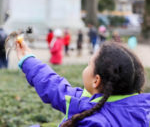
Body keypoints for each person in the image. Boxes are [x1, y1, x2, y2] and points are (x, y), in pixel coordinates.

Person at [15, 41, 150, 127]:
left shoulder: (94, 123)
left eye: (89, 64)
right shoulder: (138, 110)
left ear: (96, 81)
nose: (86, 68)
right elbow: (58, 89)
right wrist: (28, 60)